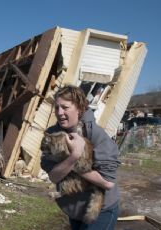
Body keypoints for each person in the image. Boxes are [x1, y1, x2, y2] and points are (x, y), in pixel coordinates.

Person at [41, 85, 120, 230]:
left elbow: (108, 183)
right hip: (73, 208)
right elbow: (54, 177)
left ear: (79, 108)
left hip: (100, 208)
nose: (59, 113)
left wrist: (73, 163)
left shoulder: (96, 135)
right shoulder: (52, 134)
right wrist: (74, 156)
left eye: (65, 107)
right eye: (56, 107)